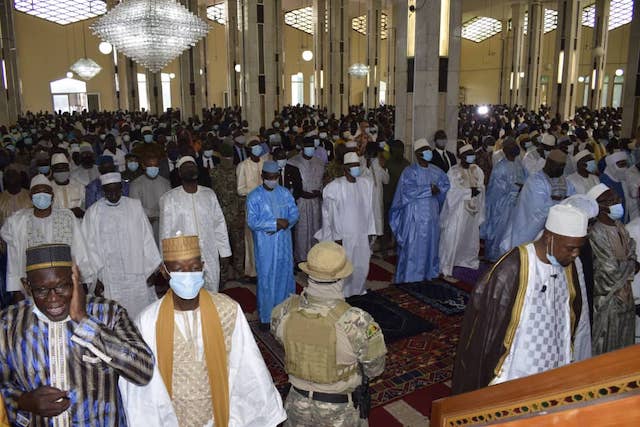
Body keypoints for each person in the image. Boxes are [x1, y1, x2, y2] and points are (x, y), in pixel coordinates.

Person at [120, 235, 286, 427]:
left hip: (222, 416)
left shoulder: (228, 310)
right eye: (178, 268)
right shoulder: (148, 321)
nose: (187, 274)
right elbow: (143, 390)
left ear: (203, 266)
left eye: (193, 267)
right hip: (172, 418)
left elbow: (247, 366)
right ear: (165, 272)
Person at [0, 244, 154, 425]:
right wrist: (23, 401)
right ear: (27, 286)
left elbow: (143, 371)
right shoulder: (8, 324)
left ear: (75, 279)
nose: (53, 298)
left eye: (62, 286)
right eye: (41, 290)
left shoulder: (109, 313)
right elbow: (4, 384)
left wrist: (84, 321)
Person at [452, 204, 590, 394]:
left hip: (553, 369)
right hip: (515, 373)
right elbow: (485, 333)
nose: (576, 254)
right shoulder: (513, 268)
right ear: (549, 238)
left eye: (578, 249)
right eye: (571, 248)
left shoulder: (568, 266)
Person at [271, 241, 387, 427]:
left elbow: (282, 341)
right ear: (342, 276)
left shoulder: (282, 311)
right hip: (339, 411)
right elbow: (375, 368)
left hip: (296, 405)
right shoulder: (356, 321)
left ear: (308, 273)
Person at [1, 175, 94, 299]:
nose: (41, 196)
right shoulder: (18, 221)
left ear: (52, 195)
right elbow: (14, 257)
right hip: (34, 286)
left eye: (45, 192)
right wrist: (16, 288)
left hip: (65, 283)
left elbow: (80, 249)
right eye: (37, 193)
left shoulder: (67, 217)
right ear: (30, 197)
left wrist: (83, 280)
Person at [82, 172, 161, 317]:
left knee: (141, 314)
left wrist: (152, 270)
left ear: (121, 188)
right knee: (114, 317)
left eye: (116, 190)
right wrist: (94, 279)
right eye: (108, 191)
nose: (113, 194)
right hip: (109, 277)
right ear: (103, 190)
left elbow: (147, 238)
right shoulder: (93, 213)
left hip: (137, 274)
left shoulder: (135, 206)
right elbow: (88, 247)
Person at [160, 156, 232, 292]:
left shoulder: (209, 194)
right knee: (188, 294)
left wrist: (225, 253)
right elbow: (165, 233)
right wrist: (166, 262)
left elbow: (219, 225)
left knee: (212, 293)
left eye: (192, 166)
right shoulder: (169, 198)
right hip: (184, 259)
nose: (189, 169)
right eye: (185, 167)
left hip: (209, 253)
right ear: (180, 173)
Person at [315, 152, 376, 297]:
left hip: (361, 233)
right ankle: (343, 294)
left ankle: (359, 291)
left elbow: (369, 209)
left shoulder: (365, 184)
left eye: (357, 165)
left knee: (361, 264)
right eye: (352, 166)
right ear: (345, 168)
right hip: (343, 235)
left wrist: (370, 231)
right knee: (344, 266)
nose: (356, 168)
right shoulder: (335, 186)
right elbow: (332, 214)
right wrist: (337, 236)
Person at [247, 161, 299, 329]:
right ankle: (266, 317)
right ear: (262, 177)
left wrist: (287, 222)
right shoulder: (254, 196)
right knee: (267, 278)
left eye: (275, 177)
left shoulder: (284, 193)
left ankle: (285, 312)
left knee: (285, 276)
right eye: (269, 177)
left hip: (284, 243)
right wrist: (274, 223)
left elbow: (294, 213)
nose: (272, 180)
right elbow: (252, 221)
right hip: (266, 246)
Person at [390, 139, 450, 283]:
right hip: (414, 218)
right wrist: (428, 189)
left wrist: (438, 190)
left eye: (429, 149)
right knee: (413, 249)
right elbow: (407, 192)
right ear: (417, 154)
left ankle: (430, 274)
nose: (428, 152)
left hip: (431, 217)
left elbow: (445, 185)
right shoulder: (409, 172)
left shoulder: (436, 171)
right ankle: (410, 278)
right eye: (425, 150)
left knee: (431, 246)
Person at [587, 184, 637, 355]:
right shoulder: (596, 233)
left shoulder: (619, 226)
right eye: (610, 201)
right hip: (608, 301)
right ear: (598, 207)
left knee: (626, 345)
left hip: (626, 296)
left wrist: (630, 263)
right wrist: (631, 265)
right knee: (607, 349)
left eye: (617, 199)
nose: (616, 203)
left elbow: (631, 250)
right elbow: (609, 270)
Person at [503, 149, 575, 253]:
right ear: (549, 163)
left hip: (554, 231)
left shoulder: (565, 182)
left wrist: (556, 200)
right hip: (529, 229)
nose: (560, 170)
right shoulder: (535, 181)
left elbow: (572, 200)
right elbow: (539, 209)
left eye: (562, 167)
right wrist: (562, 202)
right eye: (557, 166)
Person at [439, 144, 485, 277]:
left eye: (472, 153)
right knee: (453, 236)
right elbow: (451, 193)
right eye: (468, 154)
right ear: (461, 157)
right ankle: (447, 264)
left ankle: (466, 259)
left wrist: (478, 191)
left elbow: (482, 186)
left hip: (472, 210)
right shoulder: (453, 172)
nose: (471, 156)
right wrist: (469, 192)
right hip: (458, 211)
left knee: (470, 236)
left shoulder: (477, 170)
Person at [483, 139, 525, 261]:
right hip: (501, 205)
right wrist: (515, 187)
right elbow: (496, 189)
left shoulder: (518, 164)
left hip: (516, 204)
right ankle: (493, 256)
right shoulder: (500, 167)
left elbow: (524, 179)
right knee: (498, 231)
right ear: (506, 151)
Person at [287, 138, 325, 263]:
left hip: (316, 202)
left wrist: (319, 192)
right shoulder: (293, 162)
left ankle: (315, 256)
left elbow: (322, 182)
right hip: (301, 201)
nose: (310, 149)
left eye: (311, 147)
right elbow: (291, 185)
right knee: (301, 232)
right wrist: (301, 193)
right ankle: (301, 258)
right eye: (307, 146)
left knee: (316, 229)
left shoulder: (319, 162)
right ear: (302, 147)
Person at [236, 136, 267, 280]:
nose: (258, 148)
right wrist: (256, 192)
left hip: (267, 207)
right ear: (250, 150)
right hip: (252, 207)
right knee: (251, 240)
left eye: (259, 145)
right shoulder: (243, 166)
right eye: (255, 146)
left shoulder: (265, 163)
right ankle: (253, 271)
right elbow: (240, 189)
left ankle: (266, 268)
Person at [129, 153, 171, 245]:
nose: (153, 168)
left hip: (163, 225)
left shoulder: (166, 183)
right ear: (143, 166)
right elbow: (136, 207)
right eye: (150, 166)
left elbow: (170, 205)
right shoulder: (135, 184)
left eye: (155, 166)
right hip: (145, 226)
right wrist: (156, 214)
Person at [50, 153, 85, 218]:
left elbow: (85, 207)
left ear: (69, 169)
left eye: (64, 168)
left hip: (78, 224)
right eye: (58, 169)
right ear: (53, 171)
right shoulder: (48, 188)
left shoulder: (79, 186)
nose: (61, 171)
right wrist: (70, 212)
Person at [600, 151, 629, 221]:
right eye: (620, 165)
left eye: (624, 164)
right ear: (612, 166)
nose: (623, 168)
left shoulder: (622, 176)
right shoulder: (605, 179)